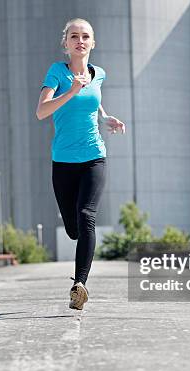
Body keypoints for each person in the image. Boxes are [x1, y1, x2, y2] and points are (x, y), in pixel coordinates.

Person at [36, 18, 126, 310]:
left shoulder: (98, 74)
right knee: (73, 228)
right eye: (74, 36)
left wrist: (106, 118)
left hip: (93, 156)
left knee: (87, 215)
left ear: (92, 42)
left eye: (85, 36)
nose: (80, 40)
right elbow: (41, 111)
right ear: (66, 43)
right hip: (63, 160)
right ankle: (77, 260)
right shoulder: (57, 73)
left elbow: (94, 101)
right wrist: (72, 90)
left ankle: (80, 285)